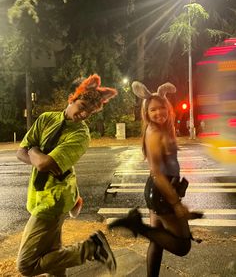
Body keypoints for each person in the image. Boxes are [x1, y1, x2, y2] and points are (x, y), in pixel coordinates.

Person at [16, 74, 117, 277]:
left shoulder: (80, 135)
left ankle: (91, 248)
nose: (84, 114)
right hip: (37, 194)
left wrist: (34, 150)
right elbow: (20, 152)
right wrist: (36, 155)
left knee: (26, 265)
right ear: (72, 99)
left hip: (55, 200)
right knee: (53, 258)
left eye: (90, 111)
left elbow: (43, 163)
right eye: (82, 106)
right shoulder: (46, 119)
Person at [109, 81, 202, 277]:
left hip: (160, 190)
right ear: (146, 112)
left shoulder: (162, 128)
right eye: (153, 109)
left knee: (157, 243)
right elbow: (157, 173)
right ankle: (136, 225)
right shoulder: (154, 133)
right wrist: (176, 203)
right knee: (182, 246)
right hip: (162, 191)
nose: (159, 112)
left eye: (162, 108)